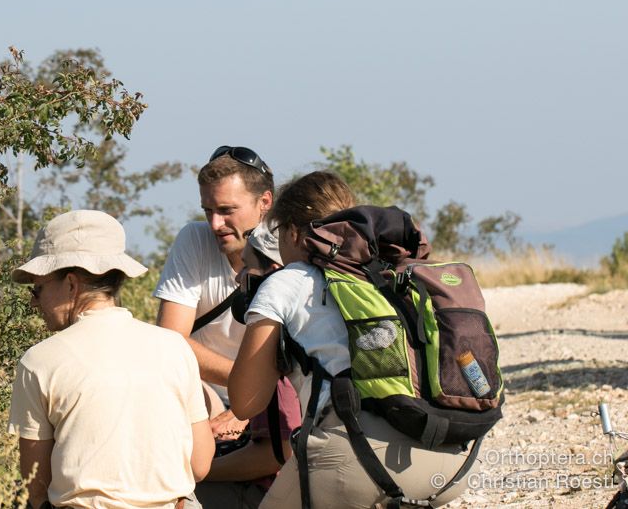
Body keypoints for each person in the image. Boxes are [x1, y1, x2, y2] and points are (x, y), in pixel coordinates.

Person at [228, 171, 479, 508]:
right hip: (452, 458)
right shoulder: (395, 272)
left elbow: (246, 402)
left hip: (359, 460)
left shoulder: (286, 281)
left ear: (291, 232)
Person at [8, 210, 214, 509]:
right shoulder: (174, 347)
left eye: (38, 288)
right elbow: (200, 464)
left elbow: (36, 484)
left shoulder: (39, 361)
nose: (34, 301)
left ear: (70, 284)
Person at [154, 146, 274, 436]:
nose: (215, 224)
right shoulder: (194, 238)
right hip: (206, 398)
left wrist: (250, 401)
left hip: (273, 402)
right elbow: (171, 341)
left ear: (265, 202)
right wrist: (247, 387)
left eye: (226, 211)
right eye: (208, 211)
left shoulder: (290, 251)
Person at [195, 223, 301, 509]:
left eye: (248, 267)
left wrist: (192, 474)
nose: (240, 277)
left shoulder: (281, 339)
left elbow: (272, 456)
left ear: (275, 271)